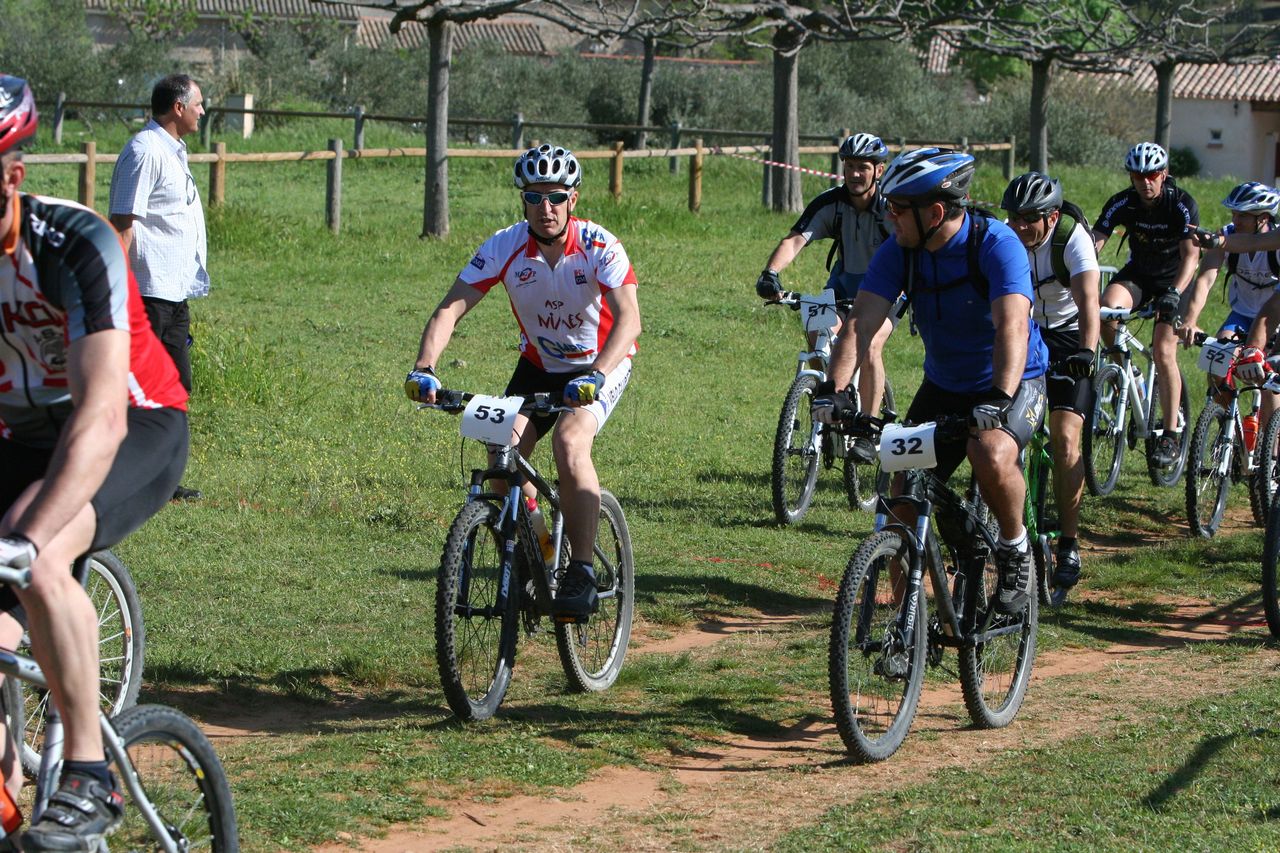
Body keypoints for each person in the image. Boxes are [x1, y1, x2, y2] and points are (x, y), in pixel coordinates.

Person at [0, 74, 189, 851]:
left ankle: (87, 771)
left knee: (36, 550)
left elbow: (102, 414)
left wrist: (24, 539)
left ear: (12, 176)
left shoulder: (73, 244)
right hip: (22, 433)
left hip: (134, 421)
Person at [404, 143, 641, 618]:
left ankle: (581, 570)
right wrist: (424, 367)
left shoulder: (599, 245)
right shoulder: (504, 246)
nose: (545, 208)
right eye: (534, 197)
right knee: (500, 457)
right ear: (523, 201)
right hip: (538, 366)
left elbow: (629, 320)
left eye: (556, 197)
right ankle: (542, 550)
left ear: (573, 200)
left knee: (570, 443)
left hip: (599, 364)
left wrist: (596, 375)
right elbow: (451, 307)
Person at [815, 147, 1049, 614]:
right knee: (902, 493)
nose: (889, 215)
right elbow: (860, 323)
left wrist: (1000, 397)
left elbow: (1012, 327)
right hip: (945, 385)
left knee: (989, 452)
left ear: (935, 213)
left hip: (1013, 380)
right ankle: (909, 626)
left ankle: (1014, 547)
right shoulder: (899, 250)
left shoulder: (996, 245)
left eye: (899, 208)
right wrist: (835, 390)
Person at [756, 133, 894, 462]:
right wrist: (770, 273)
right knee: (817, 333)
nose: (855, 174)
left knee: (870, 345)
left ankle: (867, 430)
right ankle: (828, 400)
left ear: (879, 170)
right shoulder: (831, 203)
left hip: (887, 291)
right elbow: (795, 239)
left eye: (863, 167)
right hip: (843, 288)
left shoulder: (892, 208)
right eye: (849, 166)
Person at [1000, 172, 1100, 606]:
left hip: (1069, 337)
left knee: (1064, 439)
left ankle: (1069, 543)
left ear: (1052, 216)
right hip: (1023, 335)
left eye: (1029, 218)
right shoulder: (1006, 237)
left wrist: (1088, 351)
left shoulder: (1072, 239)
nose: (1019, 225)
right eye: (1014, 217)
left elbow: (1089, 302)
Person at [108, 73, 208, 502]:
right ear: (178, 108)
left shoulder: (172, 150)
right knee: (137, 390)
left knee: (175, 386)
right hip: (147, 292)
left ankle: (161, 480)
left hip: (173, 292)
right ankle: (120, 475)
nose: (203, 111)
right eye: (198, 104)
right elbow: (122, 223)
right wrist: (117, 290)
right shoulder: (145, 151)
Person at [1092, 142, 1200, 467]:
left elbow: (1191, 256)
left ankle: (1170, 433)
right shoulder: (1122, 202)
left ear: (1163, 174)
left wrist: (1175, 292)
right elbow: (1094, 244)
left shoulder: (1181, 203)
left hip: (1174, 280)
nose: (1145, 182)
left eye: (1152, 175)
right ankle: (1129, 375)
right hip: (1139, 275)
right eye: (1139, 176)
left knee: (1163, 351)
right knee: (1105, 311)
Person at [1187, 185, 1280, 397]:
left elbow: (1275, 307)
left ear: (1263, 218)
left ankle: (1270, 419)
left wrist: (1254, 348)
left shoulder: (1275, 242)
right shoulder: (1226, 235)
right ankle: (1226, 418)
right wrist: (1191, 320)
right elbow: (1205, 280)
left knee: (1268, 382)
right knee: (1215, 364)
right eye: (1234, 213)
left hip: (1275, 319)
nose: (1236, 220)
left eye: (1243, 215)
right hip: (1242, 315)